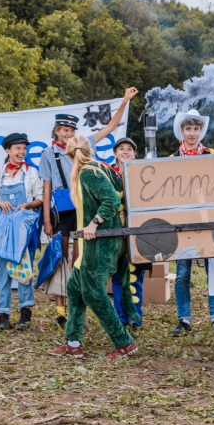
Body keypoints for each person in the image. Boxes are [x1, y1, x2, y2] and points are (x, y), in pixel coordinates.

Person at [39, 87, 138, 329]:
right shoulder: (48, 154)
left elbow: (111, 127)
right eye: (65, 130)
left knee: (80, 260)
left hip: (85, 209)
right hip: (63, 212)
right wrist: (47, 221)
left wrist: (125, 100)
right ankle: (60, 311)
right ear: (57, 131)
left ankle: (78, 308)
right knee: (60, 259)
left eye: (72, 130)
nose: (69, 134)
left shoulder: (85, 145)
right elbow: (46, 189)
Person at [47, 135, 139, 359]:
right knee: (74, 289)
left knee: (93, 293)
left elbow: (112, 199)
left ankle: (124, 343)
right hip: (98, 243)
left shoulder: (88, 173)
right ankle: (73, 342)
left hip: (100, 244)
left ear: (69, 156)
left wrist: (94, 223)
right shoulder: (101, 167)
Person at [168, 109, 214, 335]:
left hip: (208, 220)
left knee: (213, 270)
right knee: (182, 273)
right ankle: (184, 319)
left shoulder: (212, 153)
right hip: (183, 222)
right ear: (182, 131)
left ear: (201, 131)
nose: (192, 133)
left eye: (196, 129)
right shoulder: (172, 159)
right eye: (188, 129)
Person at [0, 133, 43, 330]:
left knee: (24, 269)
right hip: (3, 229)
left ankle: (25, 313)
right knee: (3, 272)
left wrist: (26, 205)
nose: (22, 152)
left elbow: (40, 198)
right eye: (18, 148)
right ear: (8, 150)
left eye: (24, 148)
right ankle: (3, 314)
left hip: (24, 229)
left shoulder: (31, 172)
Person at [109, 137, 151, 331]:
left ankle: (135, 318)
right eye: (121, 149)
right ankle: (121, 318)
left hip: (137, 232)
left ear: (135, 154)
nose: (125, 152)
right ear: (115, 153)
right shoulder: (107, 174)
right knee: (118, 277)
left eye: (129, 149)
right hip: (115, 233)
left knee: (135, 276)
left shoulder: (142, 173)